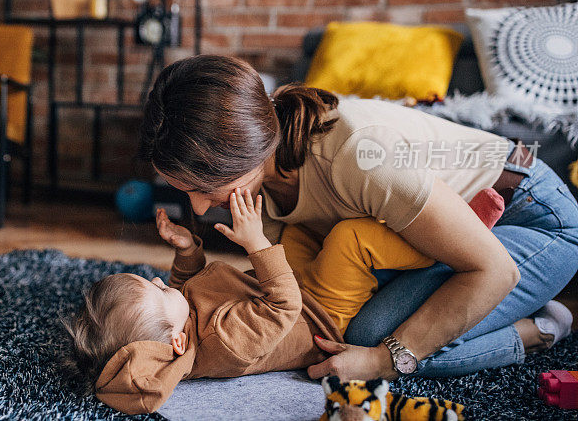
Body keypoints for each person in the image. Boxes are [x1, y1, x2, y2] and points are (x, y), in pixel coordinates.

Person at [138, 54, 578, 380]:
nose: (197, 208)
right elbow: (295, 301)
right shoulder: (260, 188)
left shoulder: (358, 154)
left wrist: (384, 361)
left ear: (245, 155)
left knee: (369, 338)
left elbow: (492, 268)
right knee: (337, 326)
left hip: (536, 219)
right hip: (426, 239)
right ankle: (500, 309)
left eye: (201, 189)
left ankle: (532, 331)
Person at [63, 189, 343, 415]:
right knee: (349, 239)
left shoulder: (180, 326)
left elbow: (190, 287)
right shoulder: (224, 342)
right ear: (178, 342)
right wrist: (256, 242)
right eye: (158, 291)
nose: (160, 281)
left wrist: (186, 250)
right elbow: (284, 306)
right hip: (322, 314)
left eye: (151, 282)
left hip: (289, 287)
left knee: (298, 234)